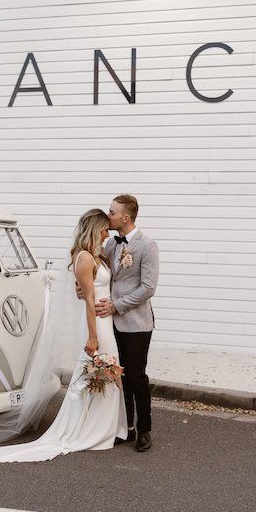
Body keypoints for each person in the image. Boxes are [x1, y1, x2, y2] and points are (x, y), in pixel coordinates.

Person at [0, 209, 127, 463]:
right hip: (96, 324)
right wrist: (93, 336)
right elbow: (89, 301)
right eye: (104, 230)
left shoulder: (97, 255)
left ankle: (105, 428)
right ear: (95, 228)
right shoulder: (84, 258)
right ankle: (88, 429)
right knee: (94, 371)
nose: (106, 234)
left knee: (106, 373)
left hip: (106, 320)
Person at [97, 194, 159, 452]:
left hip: (137, 323)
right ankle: (126, 429)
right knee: (118, 377)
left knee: (137, 377)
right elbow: (102, 274)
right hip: (111, 322)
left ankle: (144, 428)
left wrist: (117, 305)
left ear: (125, 217)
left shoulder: (147, 245)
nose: (108, 215)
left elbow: (148, 287)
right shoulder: (111, 244)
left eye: (112, 212)